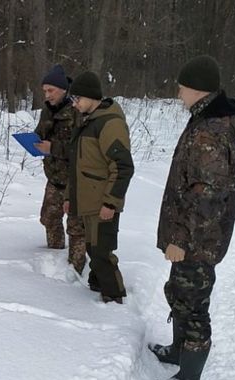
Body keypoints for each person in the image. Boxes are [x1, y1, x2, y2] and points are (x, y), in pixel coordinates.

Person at [147, 55, 235, 380]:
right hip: (193, 238)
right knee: (180, 293)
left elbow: (207, 195)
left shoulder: (210, 130)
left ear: (196, 89)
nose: (178, 92)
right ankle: (179, 351)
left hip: (197, 240)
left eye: (182, 86)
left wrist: (180, 239)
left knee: (193, 307)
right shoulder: (204, 119)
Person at [63, 71, 134, 304]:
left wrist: (110, 202)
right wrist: (69, 197)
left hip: (103, 204)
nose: (74, 105)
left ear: (91, 97)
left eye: (77, 99)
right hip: (88, 202)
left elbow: (123, 167)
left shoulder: (110, 124)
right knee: (93, 249)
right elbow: (77, 165)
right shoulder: (88, 121)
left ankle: (114, 298)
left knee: (102, 253)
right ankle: (97, 285)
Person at [34, 64, 86, 274]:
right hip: (54, 177)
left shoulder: (77, 111)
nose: (47, 95)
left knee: (76, 228)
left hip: (75, 181)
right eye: (44, 91)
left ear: (63, 89)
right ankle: (53, 258)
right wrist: (35, 142)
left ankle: (76, 271)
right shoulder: (47, 110)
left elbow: (83, 149)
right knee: (49, 217)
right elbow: (41, 133)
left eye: (51, 90)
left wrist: (53, 147)